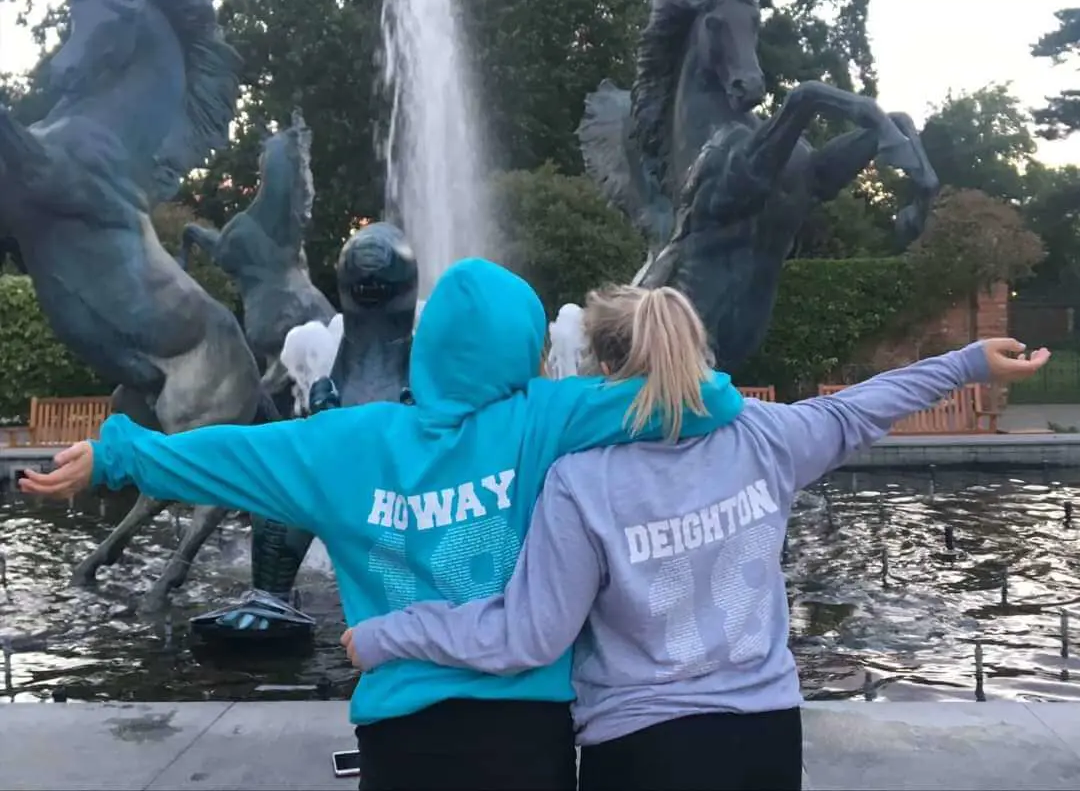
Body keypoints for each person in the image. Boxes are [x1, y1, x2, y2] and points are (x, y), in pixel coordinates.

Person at [18, 258, 748, 791]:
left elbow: (229, 454)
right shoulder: (547, 419)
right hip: (527, 740)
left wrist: (117, 454)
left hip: (401, 741)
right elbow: (707, 398)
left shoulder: (349, 443)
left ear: (427, 348)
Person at [341, 284, 1050, 791]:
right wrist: (965, 364)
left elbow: (529, 637)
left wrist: (389, 635)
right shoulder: (765, 438)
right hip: (767, 735)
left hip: (643, 748)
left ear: (604, 369)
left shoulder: (581, 481)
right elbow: (863, 409)